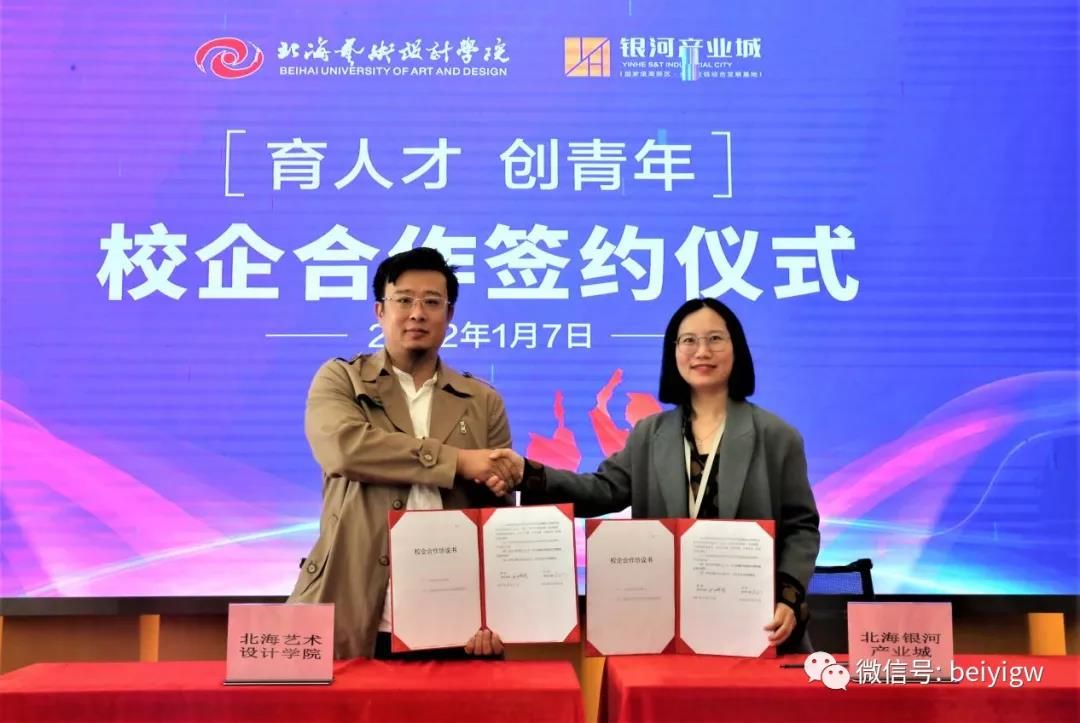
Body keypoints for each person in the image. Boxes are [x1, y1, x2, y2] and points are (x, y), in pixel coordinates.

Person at [485, 298, 821, 652]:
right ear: (673, 352)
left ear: (737, 348)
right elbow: (602, 490)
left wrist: (788, 597)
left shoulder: (776, 436)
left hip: (755, 625)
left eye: (715, 339)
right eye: (689, 340)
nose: (702, 351)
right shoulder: (649, 433)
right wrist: (528, 473)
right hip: (665, 625)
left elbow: (801, 527)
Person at [288, 247, 518, 660]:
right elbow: (344, 449)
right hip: (358, 613)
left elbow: (498, 518)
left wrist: (500, 614)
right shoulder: (341, 379)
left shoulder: (483, 401)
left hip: (456, 621)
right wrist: (458, 462)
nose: (417, 313)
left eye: (432, 302)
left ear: (449, 315)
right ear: (380, 310)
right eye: (404, 300)